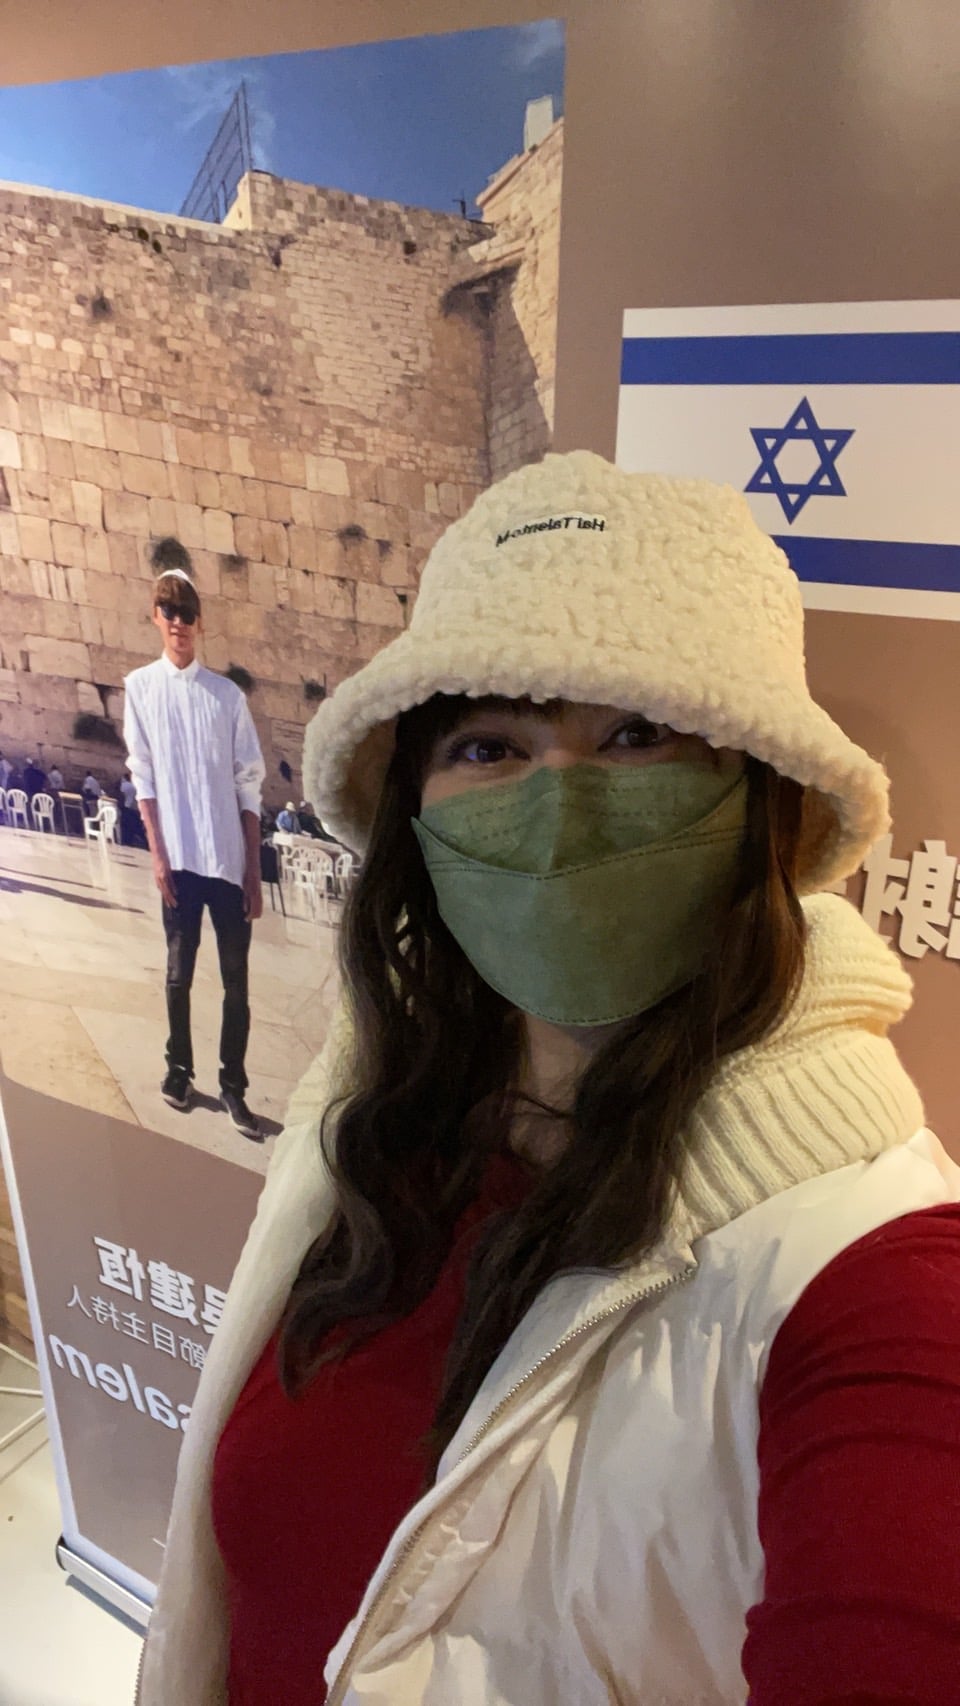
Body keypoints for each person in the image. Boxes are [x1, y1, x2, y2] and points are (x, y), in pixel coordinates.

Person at [137, 454, 960, 1706]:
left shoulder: (874, 1275)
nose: (560, 806)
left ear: (762, 798)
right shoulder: (376, 1114)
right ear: (419, 812)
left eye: (636, 733)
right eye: (489, 744)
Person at [123, 568, 266, 1141]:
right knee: (178, 975)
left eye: (187, 612)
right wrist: (158, 855)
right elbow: (143, 777)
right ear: (155, 617)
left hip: (226, 861)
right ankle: (179, 1071)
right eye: (169, 610)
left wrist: (253, 870)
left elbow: (249, 783)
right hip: (179, 860)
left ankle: (234, 1086)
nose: (178, 622)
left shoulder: (227, 696)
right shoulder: (140, 688)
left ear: (200, 622)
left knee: (237, 983)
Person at [118, 767, 141, 847]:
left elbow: (121, 795)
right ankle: (131, 841)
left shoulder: (124, 785)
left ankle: (125, 841)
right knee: (133, 825)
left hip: (126, 807)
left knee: (125, 825)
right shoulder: (133, 786)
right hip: (134, 807)